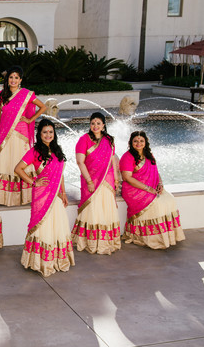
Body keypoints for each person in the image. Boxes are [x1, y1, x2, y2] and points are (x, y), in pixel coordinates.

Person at [14, 119, 74, 276]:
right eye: (45, 132)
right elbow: (18, 169)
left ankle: (56, 260)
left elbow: (60, 175)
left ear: (54, 134)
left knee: (57, 226)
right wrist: (34, 181)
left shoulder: (57, 151)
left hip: (56, 196)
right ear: (39, 134)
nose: (48, 135)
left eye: (50, 132)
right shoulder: (34, 152)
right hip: (42, 195)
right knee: (43, 227)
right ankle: (41, 262)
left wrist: (63, 193)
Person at [0, 65, 47, 206]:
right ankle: (3, 197)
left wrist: (30, 119)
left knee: (20, 161)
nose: (13, 80)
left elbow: (43, 107)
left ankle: (24, 196)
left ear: (20, 80)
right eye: (11, 77)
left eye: (16, 77)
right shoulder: (1, 94)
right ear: (7, 79)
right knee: (4, 161)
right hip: (4, 133)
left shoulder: (26, 94)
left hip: (21, 134)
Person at [120, 131, 185, 249]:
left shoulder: (149, 155)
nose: (138, 143)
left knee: (169, 199)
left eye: (141, 141)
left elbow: (156, 171)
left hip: (152, 187)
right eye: (135, 141)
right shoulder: (127, 157)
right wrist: (148, 188)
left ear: (145, 142)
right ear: (131, 142)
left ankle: (168, 236)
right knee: (157, 204)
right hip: (133, 189)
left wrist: (160, 183)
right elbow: (127, 177)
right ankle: (151, 238)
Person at [71, 112, 122, 255]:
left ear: (104, 125)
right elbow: (80, 162)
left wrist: (116, 179)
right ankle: (91, 242)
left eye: (98, 123)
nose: (95, 126)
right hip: (91, 180)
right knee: (93, 210)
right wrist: (89, 181)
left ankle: (107, 241)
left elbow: (113, 161)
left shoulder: (109, 140)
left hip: (108, 180)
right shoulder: (84, 140)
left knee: (106, 209)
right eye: (93, 123)